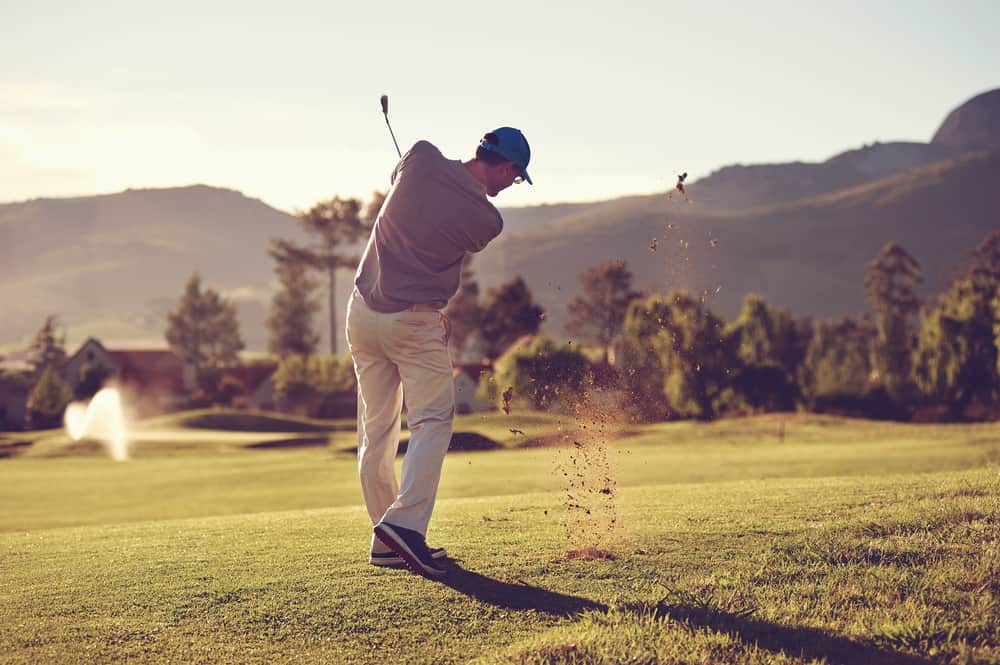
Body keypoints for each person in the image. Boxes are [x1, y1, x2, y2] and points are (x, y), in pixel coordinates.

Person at [346, 127, 532, 577]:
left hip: (361, 313)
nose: (512, 186)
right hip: (414, 322)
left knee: (377, 429)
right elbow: (457, 220)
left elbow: (400, 178)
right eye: (517, 177)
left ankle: (387, 536)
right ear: (506, 167)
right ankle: (404, 529)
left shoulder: (421, 155)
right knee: (432, 421)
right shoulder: (488, 221)